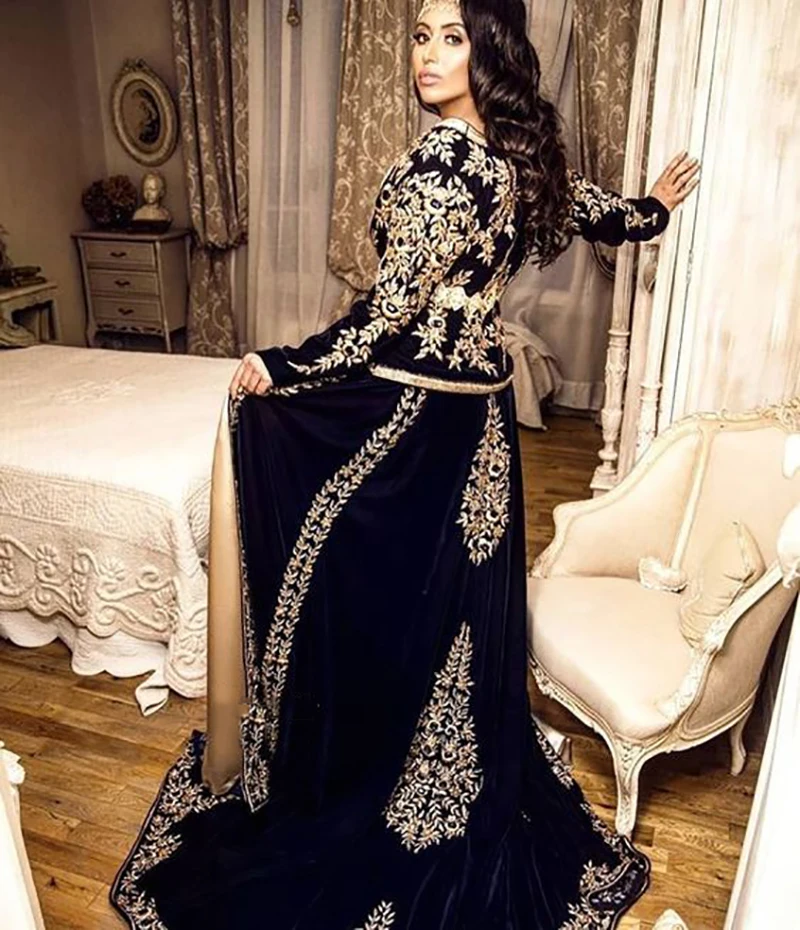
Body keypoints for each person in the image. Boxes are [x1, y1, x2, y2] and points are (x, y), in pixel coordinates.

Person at [111, 1, 700, 927]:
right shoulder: (519, 156)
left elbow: (385, 321)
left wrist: (286, 367)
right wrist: (653, 207)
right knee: (445, 605)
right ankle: (432, 768)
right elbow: (598, 212)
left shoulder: (444, 163)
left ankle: (361, 766)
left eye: (451, 37)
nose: (427, 55)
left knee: (363, 584)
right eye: (420, 36)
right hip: (482, 424)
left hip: (419, 425)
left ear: (488, 49)